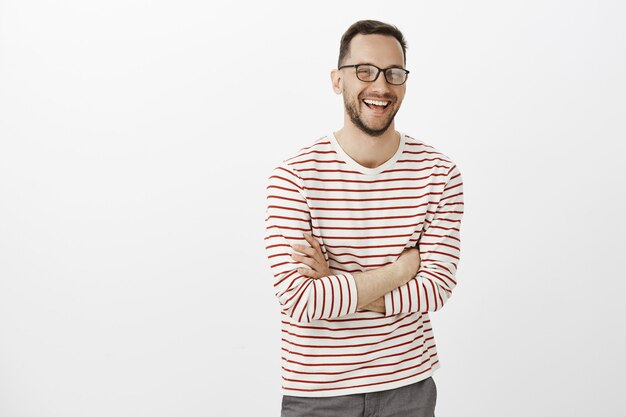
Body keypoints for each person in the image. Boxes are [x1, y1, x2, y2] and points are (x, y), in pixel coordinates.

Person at [264, 19, 464, 417]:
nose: (381, 86)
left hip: (408, 385)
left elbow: (436, 289)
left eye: (394, 73)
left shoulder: (439, 173)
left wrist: (335, 286)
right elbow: (299, 299)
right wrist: (402, 269)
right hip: (317, 392)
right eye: (364, 71)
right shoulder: (293, 176)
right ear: (337, 80)